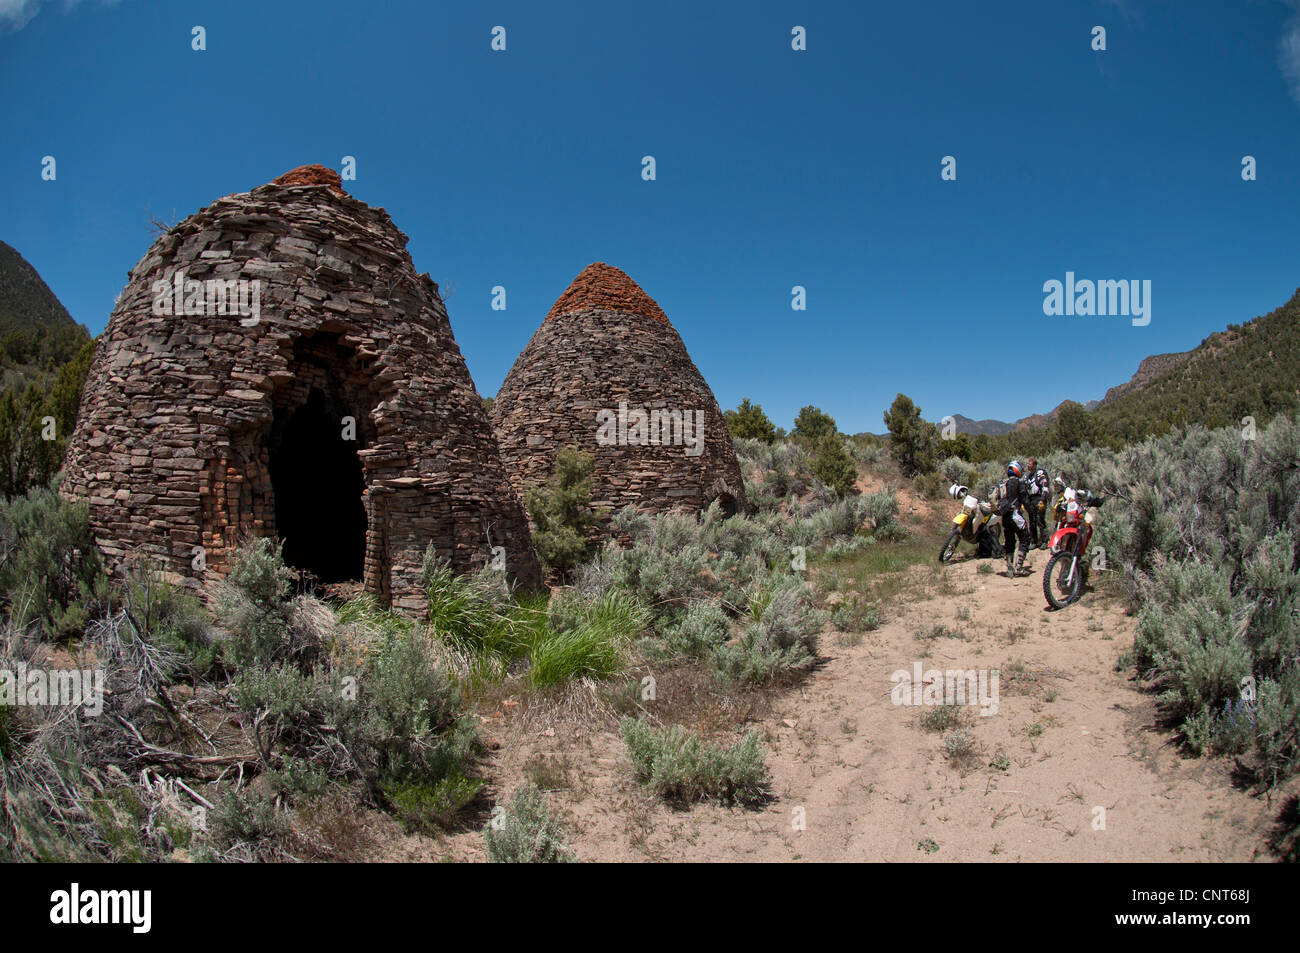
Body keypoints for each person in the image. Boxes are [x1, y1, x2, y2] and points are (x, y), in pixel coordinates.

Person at [996, 460, 1033, 577]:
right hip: (1015, 515)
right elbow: (1025, 500)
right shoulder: (1019, 482)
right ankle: (1019, 566)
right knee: (1024, 537)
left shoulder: (1003, 483)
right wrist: (1031, 511)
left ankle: (1009, 566)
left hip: (1005, 516)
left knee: (1009, 541)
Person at [1024, 458, 1050, 549]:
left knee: (1040, 520)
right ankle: (1034, 541)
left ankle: (1045, 540)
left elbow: (1045, 487)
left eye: (1030, 464)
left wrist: (1043, 500)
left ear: (1034, 465)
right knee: (1032, 521)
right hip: (1031, 500)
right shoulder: (1027, 476)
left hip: (1039, 498)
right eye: (1027, 464)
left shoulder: (1040, 473)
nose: (1028, 465)